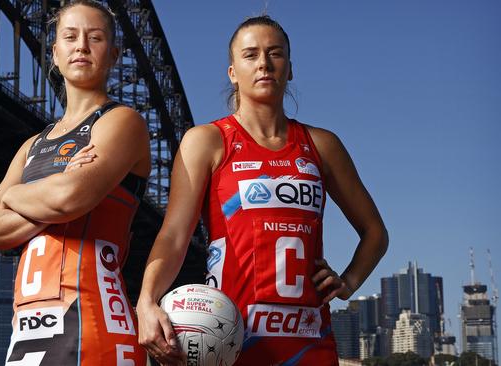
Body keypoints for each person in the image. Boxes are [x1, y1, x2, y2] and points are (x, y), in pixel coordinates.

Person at [136, 15, 388, 366]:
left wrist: (348, 281)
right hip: (230, 341)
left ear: (290, 68)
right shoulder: (208, 142)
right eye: (251, 54)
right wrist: (146, 300)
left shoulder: (321, 145)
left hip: (309, 341)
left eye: (275, 53)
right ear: (232, 72)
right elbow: (175, 236)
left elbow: (375, 232)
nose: (265, 64)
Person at [0, 1, 150, 365]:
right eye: (70, 37)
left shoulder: (122, 122)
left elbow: (68, 199)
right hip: (26, 331)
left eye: (95, 37)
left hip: (92, 322)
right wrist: (59, 187)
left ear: (114, 54)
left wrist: (13, 194)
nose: (81, 46)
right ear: (54, 53)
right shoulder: (32, 145)